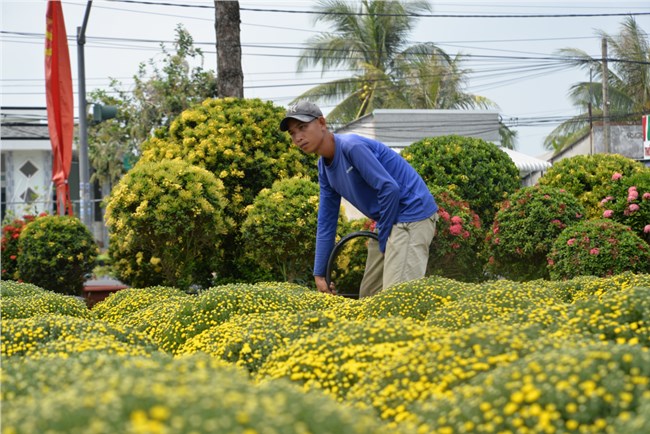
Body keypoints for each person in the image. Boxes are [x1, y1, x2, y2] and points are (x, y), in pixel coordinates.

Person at [280, 101, 439, 298]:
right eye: (292, 133)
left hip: (412, 215)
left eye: (303, 127)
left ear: (322, 123)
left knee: (396, 298)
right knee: (369, 296)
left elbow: (389, 189)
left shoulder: (351, 147)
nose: (298, 137)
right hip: (388, 220)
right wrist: (320, 274)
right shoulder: (324, 169)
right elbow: (326, 222)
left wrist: (384, 236)